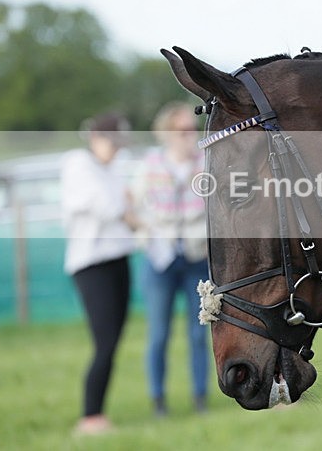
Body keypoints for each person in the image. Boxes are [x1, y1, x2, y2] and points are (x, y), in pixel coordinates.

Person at [131, 102, 209, 416]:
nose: (188, 137)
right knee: (159, 334)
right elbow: (132, 208)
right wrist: (148, 234)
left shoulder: (207, 163)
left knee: (198, 332)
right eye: (181, 131)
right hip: (160, 260)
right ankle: (158, 399)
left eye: (191, 131)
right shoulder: (149, 165)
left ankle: (200, 396)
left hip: (197, 258)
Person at [60, 112, 136, 435]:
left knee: (113, 341)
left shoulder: (112, 170)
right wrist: (132, 214)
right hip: (92, 266)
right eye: (113, 143)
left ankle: (98, 415)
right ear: (96, 138)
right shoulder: (78, 163)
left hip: (118, 259)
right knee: (104, 342)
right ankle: (90, 417)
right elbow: (108, 205)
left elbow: (127, 203)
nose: (117, 150)